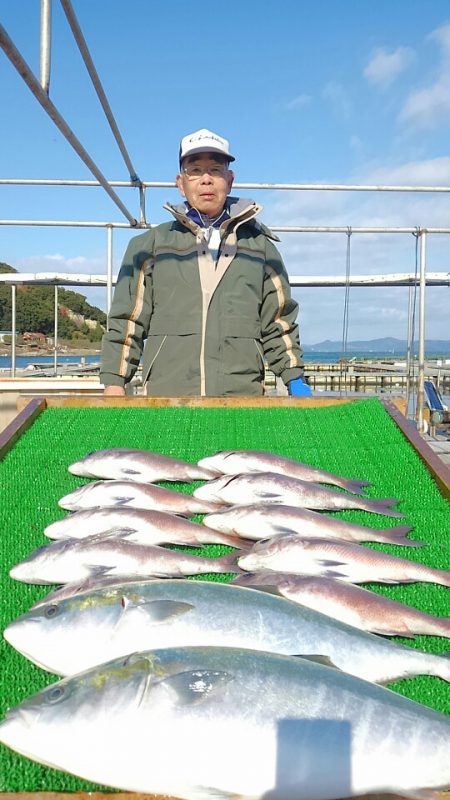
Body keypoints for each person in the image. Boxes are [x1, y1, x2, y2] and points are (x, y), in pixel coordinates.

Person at [100, 128, 311, 397]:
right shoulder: (149, 246)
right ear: (180, 182)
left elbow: (279, 323)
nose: (206, 180)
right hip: (167, 397)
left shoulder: (260, 248)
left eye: (215, 169)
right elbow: (127, 320)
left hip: (242, 398)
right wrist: (115, 383)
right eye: (195, 170)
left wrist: (295, 378)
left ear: (230, 180)